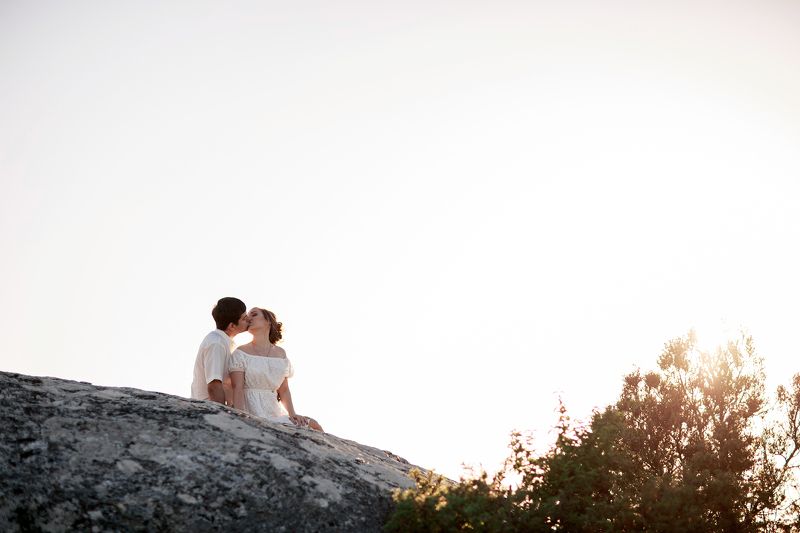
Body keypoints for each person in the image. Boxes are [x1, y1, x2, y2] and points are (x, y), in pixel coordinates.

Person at [229, 308, 323, 431]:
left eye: (254, 314)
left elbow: (283, 390)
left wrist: (292, 414)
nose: (248, 318)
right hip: (250, 408)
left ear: (268, 321)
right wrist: (240, 415)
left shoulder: (280, 353)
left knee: (314, 425)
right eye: (247, 316)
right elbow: (237, 387)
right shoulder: (240, 352)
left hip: (273, 410)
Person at [191, 297, 249, 404]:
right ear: (232, 326)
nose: (249, 319)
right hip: (207, 410)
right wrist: (223, 416)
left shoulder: (224, 342)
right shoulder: (216, 343)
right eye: (244, 318)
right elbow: (214, 385)